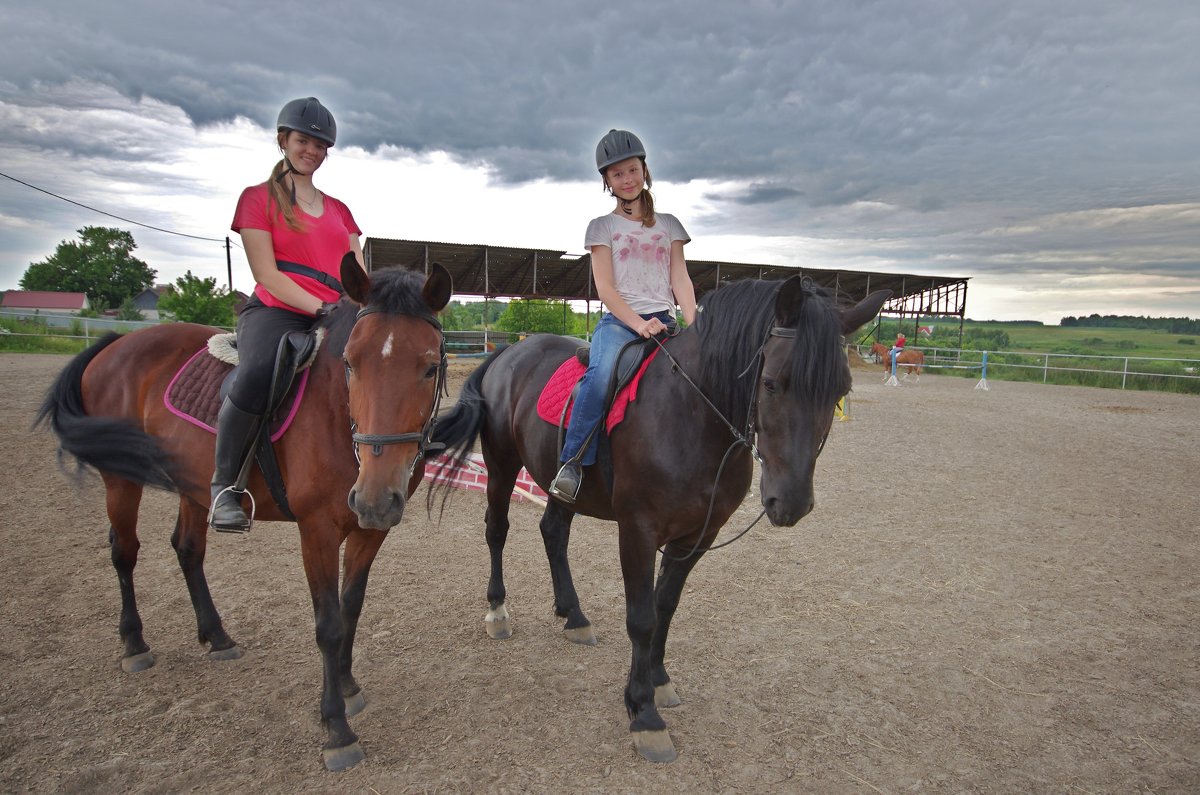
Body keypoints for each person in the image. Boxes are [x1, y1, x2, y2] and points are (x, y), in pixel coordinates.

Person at [210, 97, 365, 532]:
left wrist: (362, 309)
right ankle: (225, 486)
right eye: (303, 141)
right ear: (283, 140)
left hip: (339, 309)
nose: (311, 151)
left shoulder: (340, 210)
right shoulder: (257, 199)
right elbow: (266, 273)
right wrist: (322, 308)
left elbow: (358, 272)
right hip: (279, 310)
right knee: (258, 371)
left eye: (320, 145)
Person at [548, 129, 698, 503]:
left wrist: (695, 323)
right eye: (617, 175)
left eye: (632, 170)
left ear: (644, 170)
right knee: (600, 379)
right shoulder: (603, 228)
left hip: (664, 319)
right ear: (606, 181)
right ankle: (573, 463)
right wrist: (637, 323)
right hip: (620, 323)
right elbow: (606, 289)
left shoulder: (670, 225)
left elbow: (679, 276)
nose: (626, 179)